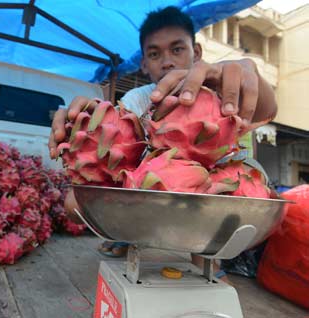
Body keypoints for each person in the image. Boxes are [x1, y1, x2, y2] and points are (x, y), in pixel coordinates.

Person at [48, 7, 277, 281]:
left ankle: (204, 257)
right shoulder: (137, 100)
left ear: (198, 53)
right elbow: (118, 145)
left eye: (177, 49)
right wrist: (85, 123)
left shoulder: (223, 90)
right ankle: (132, 238)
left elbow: (265, 110)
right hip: (153, 195)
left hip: (212, 200)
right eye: (155, 54)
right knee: (74, 203)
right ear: (143, 64)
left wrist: (249, 71)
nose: (167, 62)